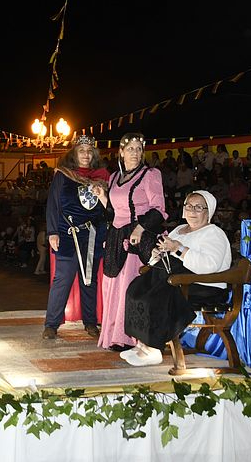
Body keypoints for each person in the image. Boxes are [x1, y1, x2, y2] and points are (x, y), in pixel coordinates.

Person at [122, 190, 231, 366]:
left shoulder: (214, 233)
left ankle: (153, 348)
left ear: (208, 211)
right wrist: (157, 254)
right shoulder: (179, 229)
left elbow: (210, 266)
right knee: (137, 288)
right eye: (189, 206)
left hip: (203, 284)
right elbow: (165, 252)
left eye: (199, 208)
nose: (193, 212)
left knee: (158, 294)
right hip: (176, 278)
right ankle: (141, 344)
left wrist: (178, 249)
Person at [99, 133, 166, 352]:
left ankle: (130, 338)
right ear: (121, 152)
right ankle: (114, 335)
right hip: (116, 237)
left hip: (137, 237)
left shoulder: (151, 175)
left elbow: (159, 210)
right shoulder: (113, 178)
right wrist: (102, 197)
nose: (135, 153)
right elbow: (112, 212)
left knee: (128, 286)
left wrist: (139, 228)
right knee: (113, 285)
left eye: (139, 149)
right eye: (130, 149)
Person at [42, 136, 109, 339]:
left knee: (89, 281)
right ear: (74, 153)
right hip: (67, 234)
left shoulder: (103, 176)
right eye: (82, 151)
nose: (86, 155)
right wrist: (52, 232)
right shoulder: (63, 175)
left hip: (93, 235)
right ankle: (51, 324)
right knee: (62, 279)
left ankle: (90, 322)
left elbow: (109, 209)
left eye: (89, 151)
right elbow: (53, 204)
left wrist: (106, 234)